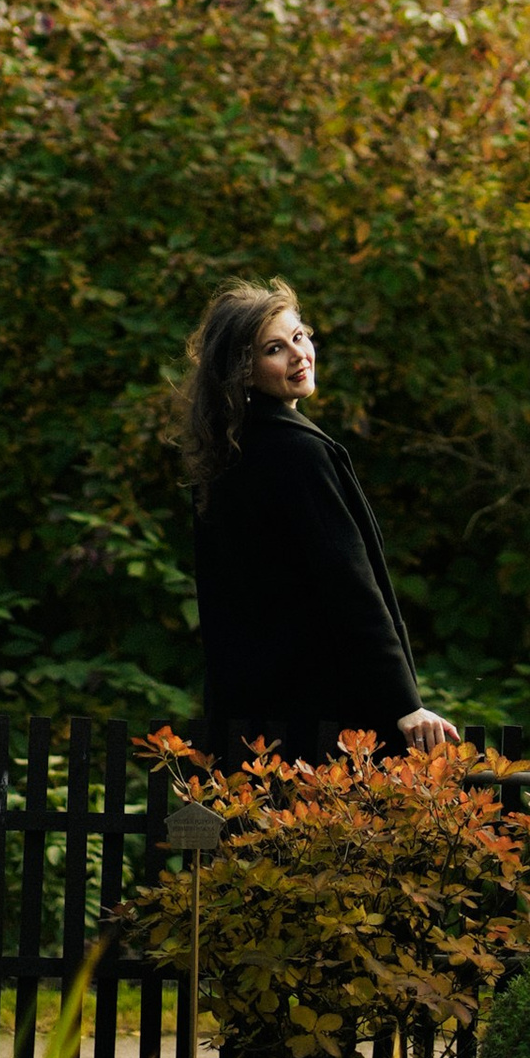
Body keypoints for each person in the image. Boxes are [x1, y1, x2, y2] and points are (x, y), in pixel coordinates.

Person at [176, 280, 458, 760]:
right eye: (274, 348)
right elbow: (349, 584)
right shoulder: (297, 452)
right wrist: (403, 704)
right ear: (244, 371)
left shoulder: (229, 454)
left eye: (299, 337)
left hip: (252, 724)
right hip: (324, 727)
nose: (298, 355)